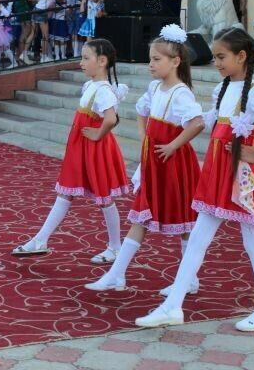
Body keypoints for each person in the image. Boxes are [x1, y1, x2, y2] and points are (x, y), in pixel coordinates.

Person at [135, 28, 254, 332]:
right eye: (215, 56)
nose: (216, 62)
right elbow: (210, 123)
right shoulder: (222, 90)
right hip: (219, 172)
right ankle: (173, 306)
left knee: (253, 243)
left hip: (244, 178)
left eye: (221, 57)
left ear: (241, 56)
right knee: (198, 236)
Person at [85, 25, 204, 293]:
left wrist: (173, 145)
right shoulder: (155, 87)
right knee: (142, 215)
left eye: (156, 59)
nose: (150, 64)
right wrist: (144, 136)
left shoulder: (180, 92)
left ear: (176, 61)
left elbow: (197, 123)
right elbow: (142, 110)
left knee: (183, 219)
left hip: (173, 163)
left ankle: (190, 279)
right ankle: (118, 274)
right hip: (155, 161)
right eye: (150, 58)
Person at [11, 39, 129, 265]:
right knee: (66, 192)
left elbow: (111, 118)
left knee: (104, 198)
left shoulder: (103, 90)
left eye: (86, 58)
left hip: (94, 148)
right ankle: (40, 239)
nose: (81, 62)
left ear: (102, 61)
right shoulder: (91, 86)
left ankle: (115, 246)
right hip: (81, 147)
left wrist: (97, 134)